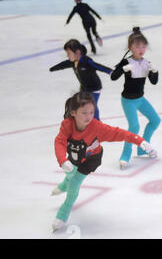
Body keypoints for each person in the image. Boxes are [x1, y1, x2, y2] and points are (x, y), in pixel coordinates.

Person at [51, 92, 154, 231]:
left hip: (91, 159)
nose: (89, 117)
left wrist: (139, 140)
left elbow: (119, 133)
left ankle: (63, 213)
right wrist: (62, 160)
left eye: (91, 112)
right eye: (84, 113)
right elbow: (60, 142)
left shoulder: (97, 127)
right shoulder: (67, 125)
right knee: (70, 174)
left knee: (75, 181)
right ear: (73, 112)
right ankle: (64, 185)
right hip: (74, 157)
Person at [111, 27, 160, 170]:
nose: (141, 49)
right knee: (134, 127)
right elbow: (113, 77)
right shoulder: (126, 62)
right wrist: (122, 69)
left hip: (140, 99)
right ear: (130, 47)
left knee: (155, 120)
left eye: (143, 46)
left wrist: (155, 71)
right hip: (128, 101)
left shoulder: (146, 62)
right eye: (137, 46)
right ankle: (125, 155)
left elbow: (154, 81)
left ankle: (142, 148)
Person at [49, 39, 112, 120]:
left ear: (78, 52)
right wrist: (53, 68)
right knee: (81, 105)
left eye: (69, 53)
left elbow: (98, 66)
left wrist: (110, 72)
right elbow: (63, 64)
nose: (67, 56)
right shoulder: (73, 62)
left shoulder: (87, 61)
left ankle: (97, 125)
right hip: (84, 88)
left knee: (91, 106)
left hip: (94, 88)